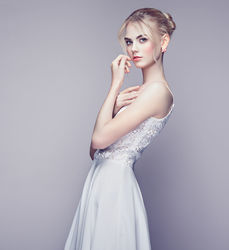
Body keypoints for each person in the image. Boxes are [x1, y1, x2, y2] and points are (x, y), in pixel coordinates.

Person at [64, 7, 176, 250]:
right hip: (100, 180)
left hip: (115, 187)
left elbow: (99, 138)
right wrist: (114, 104)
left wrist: (114, 84)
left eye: (142, 39)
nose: (133, 48)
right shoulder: (138, 94)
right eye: (128, 41)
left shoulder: (157, 92)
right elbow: (94, 151)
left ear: (163, 41)